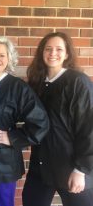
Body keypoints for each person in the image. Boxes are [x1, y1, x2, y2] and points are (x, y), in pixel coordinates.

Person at [0, 36, 49, 206]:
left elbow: (40, 123)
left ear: (9, 58)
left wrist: (11, 137)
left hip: (2, 167)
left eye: (2, 55)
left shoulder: (17, 87)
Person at [22, 32, 93, 206]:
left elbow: (89, 128)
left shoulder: (78, 82)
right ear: (42, 53)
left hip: (70, 167)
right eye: (48, 49)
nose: (53, 53)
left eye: (59, 49)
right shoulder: (36, 83)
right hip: (40, 166)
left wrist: (81, 170)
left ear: (67, 54)